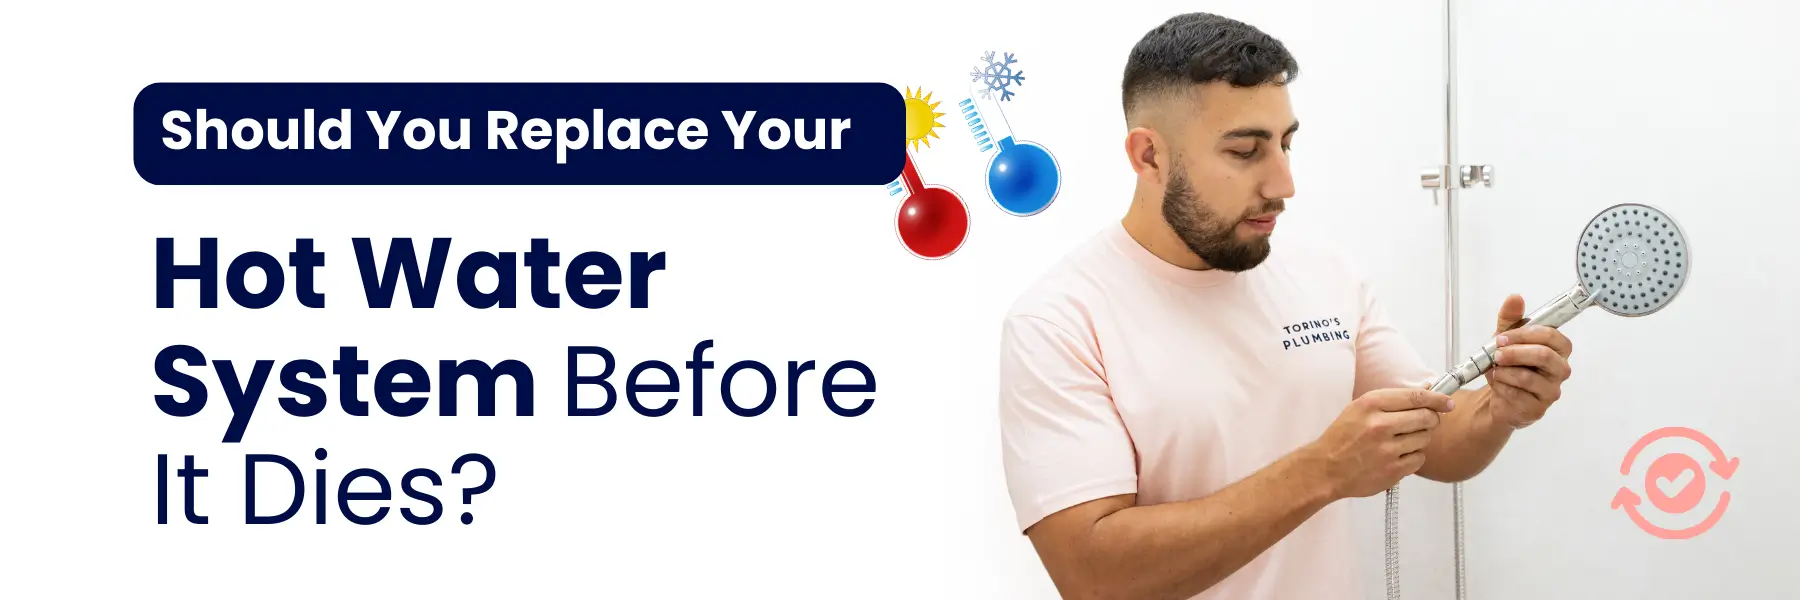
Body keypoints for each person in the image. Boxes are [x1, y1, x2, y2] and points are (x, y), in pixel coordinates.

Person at [994, 12, 1576, 600]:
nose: (1284, 182)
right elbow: (1092, 575)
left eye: (1285, 142)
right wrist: (1322, 471)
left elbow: (1437, 442)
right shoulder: (1059, 322)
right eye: (1246, 150)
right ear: (1149, 157)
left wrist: (1499, 407)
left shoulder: (1326, 274)